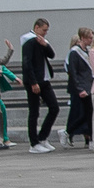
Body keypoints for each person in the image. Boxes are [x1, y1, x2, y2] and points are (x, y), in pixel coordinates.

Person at [20, 18, 59, 152]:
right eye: (44, 30)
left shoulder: (41, 41)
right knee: (34, 111)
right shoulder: (28, 40)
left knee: (54, 107)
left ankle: (42, 137)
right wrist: (33, 82)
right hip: (34, 81)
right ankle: (34, 143)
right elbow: (27, 63)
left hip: (44, 79)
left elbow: (52, 55)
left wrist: (45, 45)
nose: (45, 33)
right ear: (36, 27)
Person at [65, 28, 94, 148]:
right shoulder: (74, 52)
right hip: (81, 87)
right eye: (89, 38)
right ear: (82, 38)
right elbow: (73, 72)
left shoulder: (88, 51)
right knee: (83, 114)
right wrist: (79, 88)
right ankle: (69, 132)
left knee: (90, 114)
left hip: (89, 85)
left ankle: (91, 139)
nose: (91, 40)